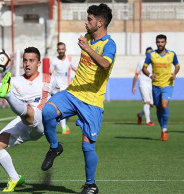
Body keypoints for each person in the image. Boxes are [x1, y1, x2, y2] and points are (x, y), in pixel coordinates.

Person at [40, 4, 116, 194]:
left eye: (89, 19)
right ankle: (55, 147)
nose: (86, 22)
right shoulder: (88, 38)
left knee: (87, 146)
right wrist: (87, 45)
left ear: (100, 23)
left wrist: (88, 48)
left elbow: (105, 64)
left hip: (92, 101)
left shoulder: (109, 44)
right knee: (47, 112)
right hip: (73, 92)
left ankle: (91, 185)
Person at [0, 47, 53, 192]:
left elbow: (67, 94)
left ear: (39, 63)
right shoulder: (16, 81)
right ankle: (15, 178)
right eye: (25, 60)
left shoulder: (48, 79)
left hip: (40, 122)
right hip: (24, 123)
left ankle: (9, 96)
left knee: (30, 112)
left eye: (31, 61)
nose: (27, 64)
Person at [142, 34, 180, 141]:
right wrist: (150, 75)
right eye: (158, 42)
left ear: (165, 43)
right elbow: (144, 68)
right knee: (158, 107)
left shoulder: (172, 54)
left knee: (164, 104)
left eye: (162, 42)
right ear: (156, 43)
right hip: (156, 85)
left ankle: (164, 130)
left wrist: (174, 73)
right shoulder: (151, 55)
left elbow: (177, 66)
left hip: (168, 84)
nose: (160, 44)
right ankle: (162, 127)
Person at [50, 42, 77, 135]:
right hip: (58, 87)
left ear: (65, 49)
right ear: (57, 50)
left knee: (69, 108)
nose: (61, 51)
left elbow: (75, 69)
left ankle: (62, 121)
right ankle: (64, 128)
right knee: (61, 107)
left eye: (62, 49)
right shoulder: (54, 61)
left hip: (68, 87)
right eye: (59, 49)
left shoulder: (69, 60)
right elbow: (50, 73)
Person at [132, 47, 155, 126]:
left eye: (150, 53)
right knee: (147, 102)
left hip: (152, 84)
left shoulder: (154, 63)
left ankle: (140, 115)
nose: (149, 54)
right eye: (148, 53)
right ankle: (148, 121)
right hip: (143, 83)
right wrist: (133, 86)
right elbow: (136, 74)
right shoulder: (141, 62)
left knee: (152, 104)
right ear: (145, 54)